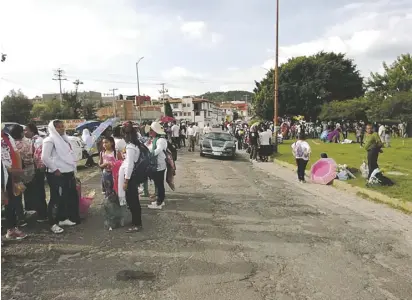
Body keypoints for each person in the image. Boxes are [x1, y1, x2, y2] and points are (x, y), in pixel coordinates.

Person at [42, 120, 79, 234]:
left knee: (65, 196)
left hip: (67, 172)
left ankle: (62, 218)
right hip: (56, 174)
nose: (62, 129)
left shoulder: (65, 139)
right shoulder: (49, 140)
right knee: (56, 198)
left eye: (63, 126)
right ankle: (52, 223)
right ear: (53, 128)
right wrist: (55, 169)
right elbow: (45, 157)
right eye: (59, 127)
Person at [2, 126, 27, 239]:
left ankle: (11, 229)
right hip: (4, 174)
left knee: (10, 203)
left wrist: (16, 171)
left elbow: (14, 154)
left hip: (9, 174)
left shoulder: (6, 136)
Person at [9, 124, 37, 226]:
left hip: (17, 173)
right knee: (26, 192)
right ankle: (26, 211)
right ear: (21, 133)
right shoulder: (28, 142)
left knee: (17, 195)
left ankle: (20, 216)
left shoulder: (12, 145)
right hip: (29, 171)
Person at [118, 126, 142, 232]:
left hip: (130, 177)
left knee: (133, 201)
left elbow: (130, 165)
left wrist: (126, 181)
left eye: (123, 135)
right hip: (131, 176)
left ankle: (137, 224)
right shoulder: (132, 145)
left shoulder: (131, 147)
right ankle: (135, 221)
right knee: (132, 200)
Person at [24, 123, 48, 222]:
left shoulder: (38, 141)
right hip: (34, 170)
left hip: (38, 170)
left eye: (26, 130)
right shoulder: (31, 140)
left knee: (39, 192)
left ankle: (43, 214)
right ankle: (38, 212)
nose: (25, 132)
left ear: (32, 131)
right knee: (35, 192)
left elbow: (39, 157)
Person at [99, 136, 124, 230]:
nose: (105, 145)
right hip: (106, 176)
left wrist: (114, 165)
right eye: (103, 143)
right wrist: (104, 165)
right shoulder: (102, 153)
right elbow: (100, 165)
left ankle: (119, 217)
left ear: (112, 143)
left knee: (116, 195)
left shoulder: (116, 153)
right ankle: (110, 218)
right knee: (108, 196)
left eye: (107, 142)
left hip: (115, 177)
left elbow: (122, 163)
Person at [147, 122, 168, 210]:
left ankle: (159, 202)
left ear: (155, 131)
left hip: (159, 165)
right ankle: (160, 200)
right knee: (158, 183)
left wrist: (149, 155)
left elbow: (158, 150)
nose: (150, 132)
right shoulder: (155, 139)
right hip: (156, 165)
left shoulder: (160, 140)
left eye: (151, 130)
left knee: (159, 184)